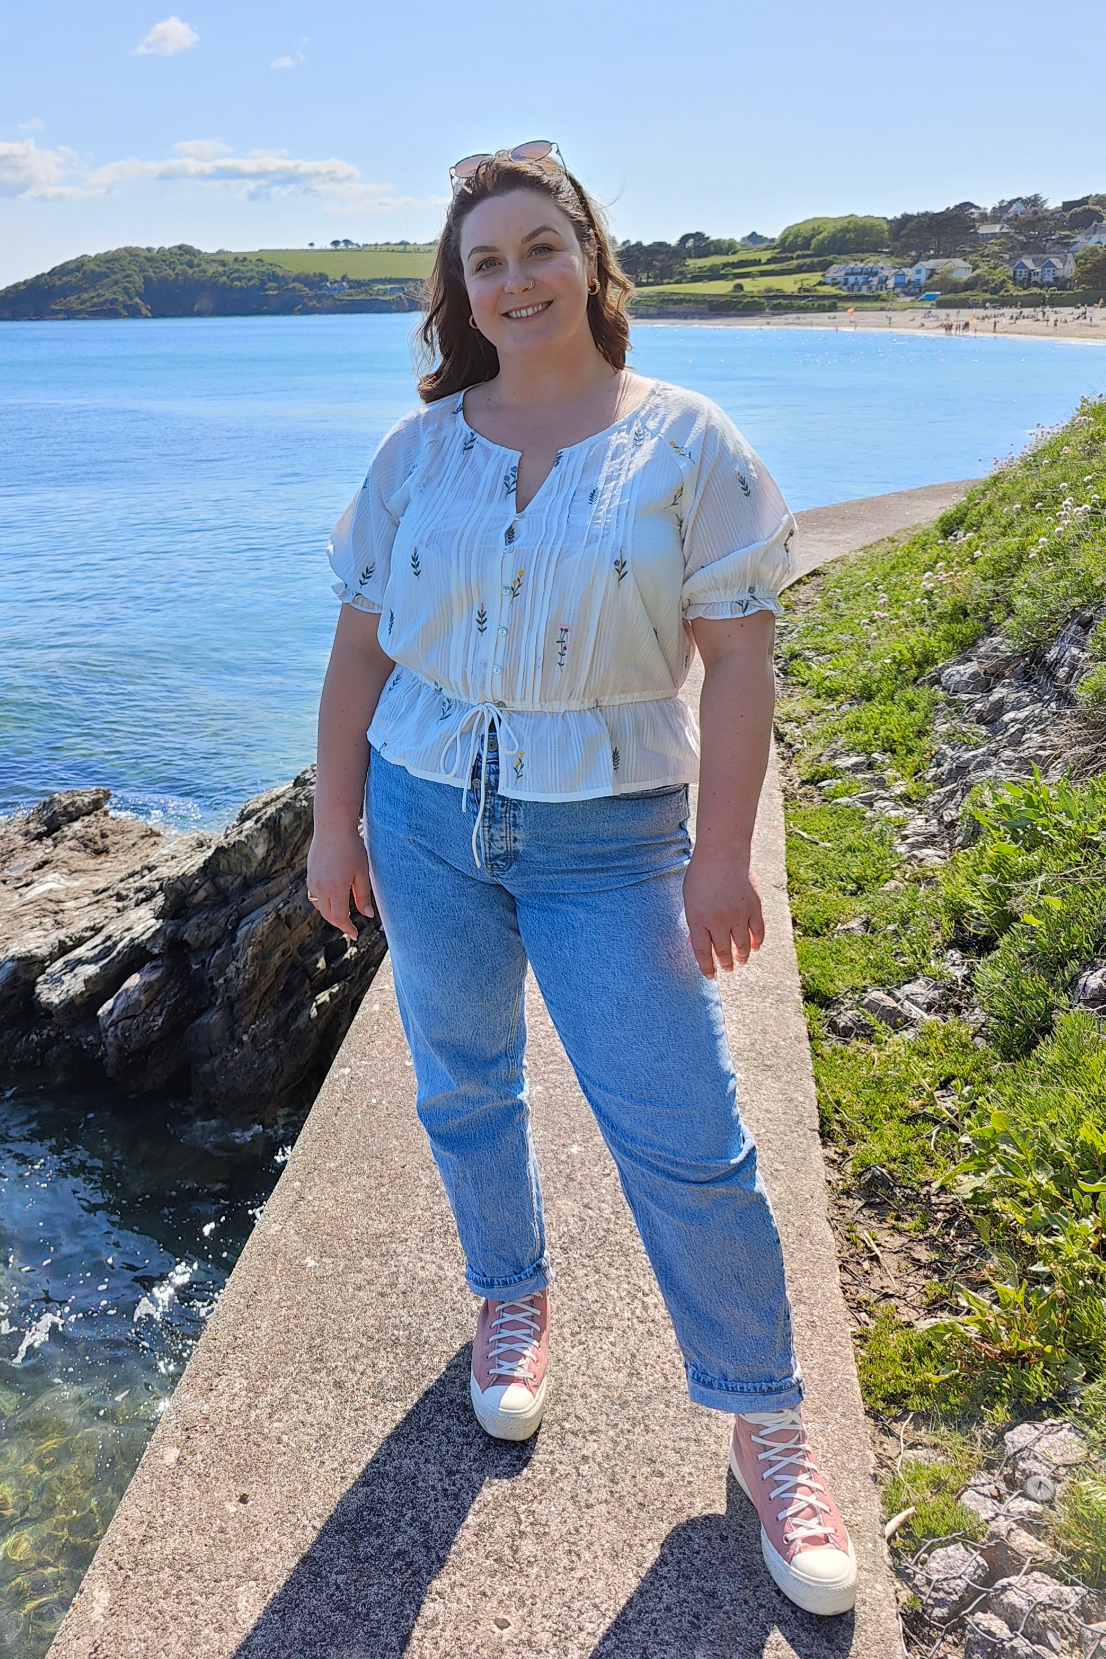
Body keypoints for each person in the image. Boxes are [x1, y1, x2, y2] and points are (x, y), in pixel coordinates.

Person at [307, 141, 857, 1617]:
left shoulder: (686, 443)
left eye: (536, 247)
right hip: (426, 817)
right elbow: (361, 642)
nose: (513, 280)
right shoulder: (417, 450)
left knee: (685, 1135)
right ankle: (510, 1299)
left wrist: (722, 856)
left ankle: (764, 1424)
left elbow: (740, 659)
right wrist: (332, 823)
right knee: (460, 1084)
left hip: (610, 828)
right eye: (484, 261)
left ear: (590, 260)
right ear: (459, 292)